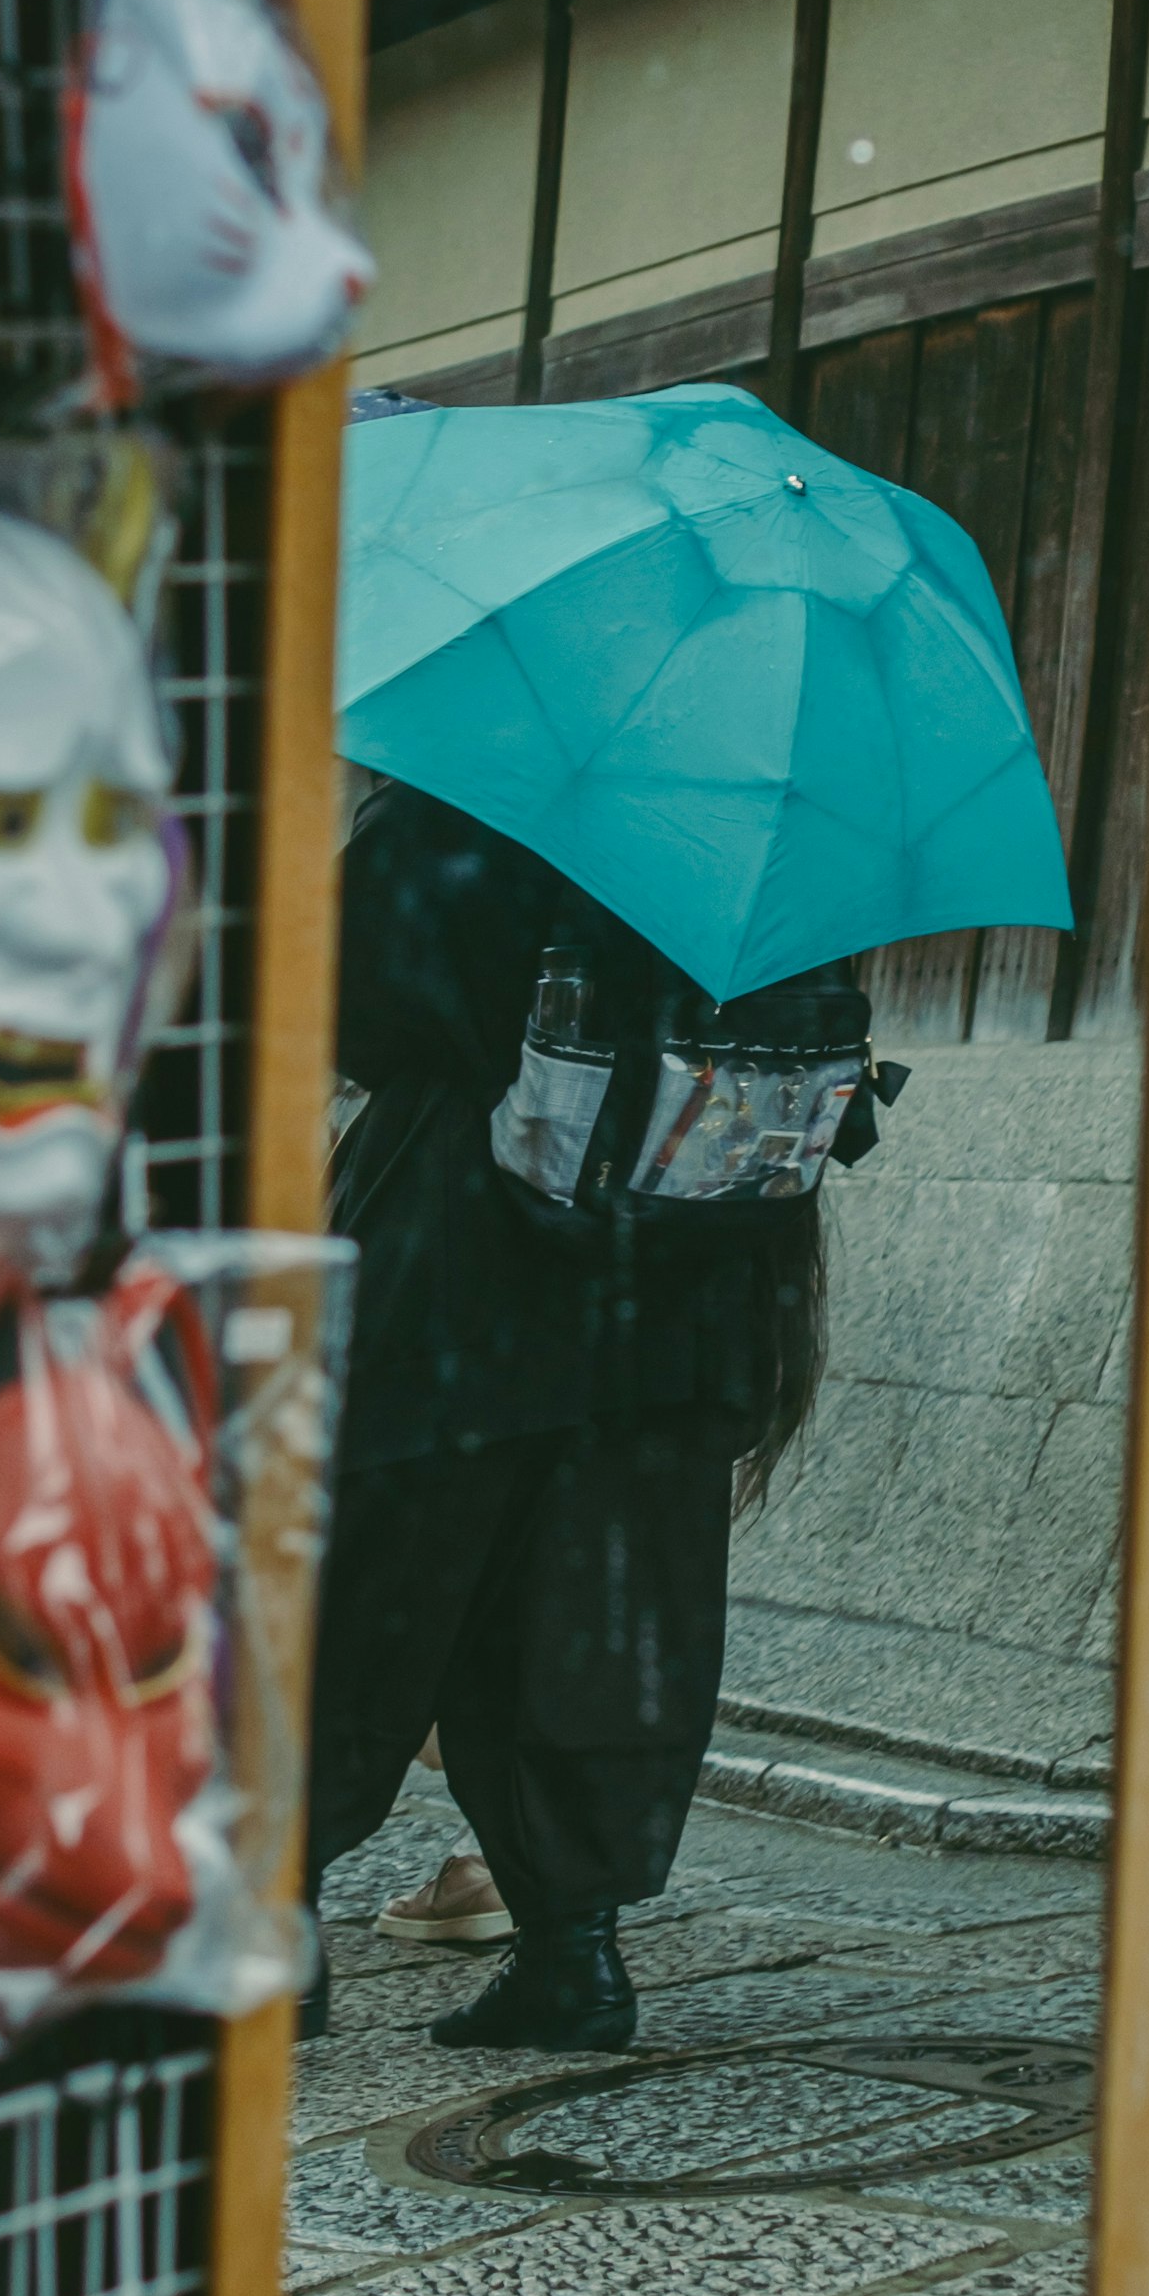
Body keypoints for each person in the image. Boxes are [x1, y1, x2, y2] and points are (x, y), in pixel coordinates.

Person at [304, 776, 851, 2055]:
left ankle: (276, 1929)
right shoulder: (758, 820)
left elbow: (351, 1004)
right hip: (677, 1292)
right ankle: (574, 1953)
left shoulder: (471, 795)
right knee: (594, 1627)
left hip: (463, 1279)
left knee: (363, 1603)